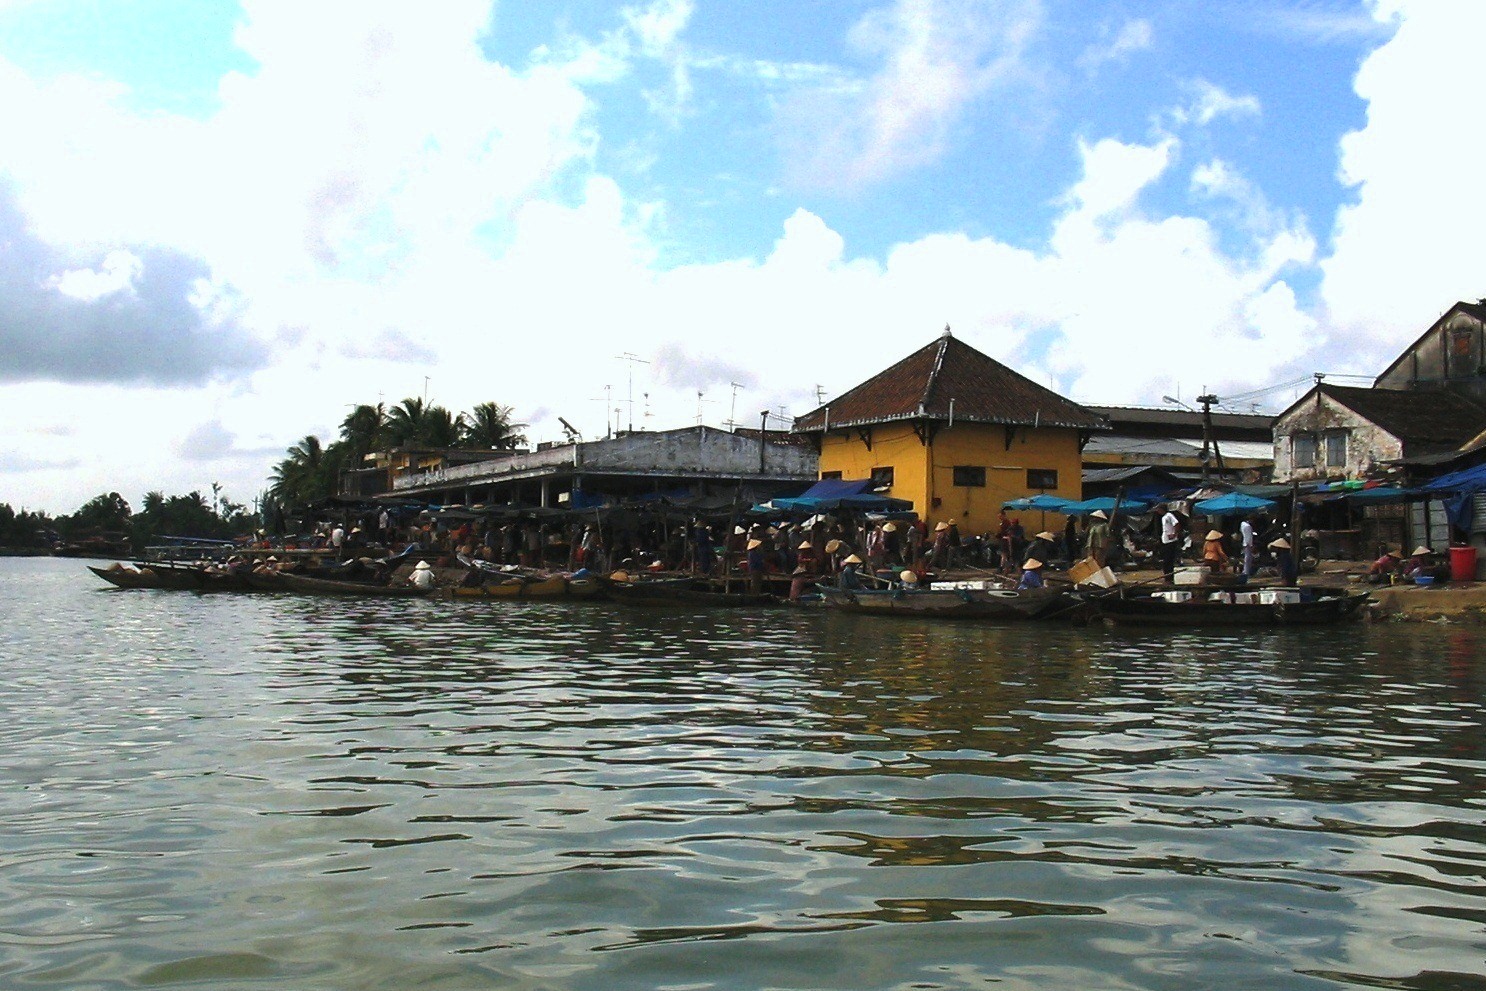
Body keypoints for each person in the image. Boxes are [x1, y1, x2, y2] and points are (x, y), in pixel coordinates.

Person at [1160, 503, 1183, 581]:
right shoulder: (1164, 517)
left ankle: (1169, 577)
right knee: (1166, 560)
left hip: (1171, 541)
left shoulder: (1169, 515)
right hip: (1165, 541)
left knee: (1169, 560)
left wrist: (1174, 534)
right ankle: (1167, 576)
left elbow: (1176, 524)